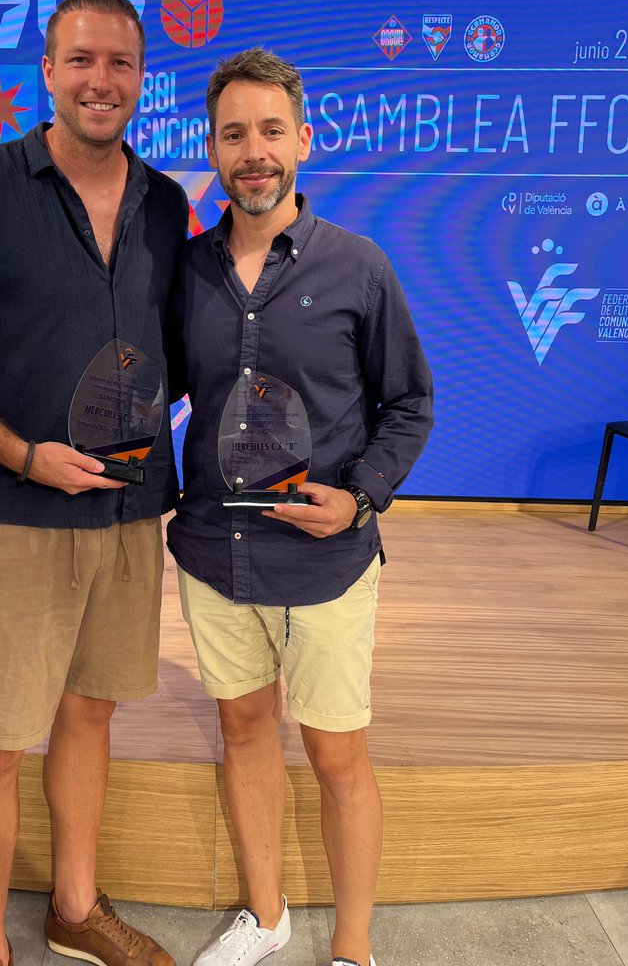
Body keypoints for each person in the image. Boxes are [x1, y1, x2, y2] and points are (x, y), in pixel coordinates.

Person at [0, 0, 189, 966]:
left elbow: (182, 343)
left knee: (91, 712)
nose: (102, 81)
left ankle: (75, 908)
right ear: (46, 74)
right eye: (82, 61)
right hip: (15, 510)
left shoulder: (168, 203)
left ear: (142, 79)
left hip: (133, 513)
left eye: (121, 64)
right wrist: (19, 453)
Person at [167, 49, 433, 966]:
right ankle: (267, 915)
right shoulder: (185, 272)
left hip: (324, 563)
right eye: (234, 133)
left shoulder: (358, 267)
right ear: (213, 146)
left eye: (270, 131)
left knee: (335, 758)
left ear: (304, 142)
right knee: (243, 731)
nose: (253, 151)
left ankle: (353, 946)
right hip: (213, 554)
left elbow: (409, 403)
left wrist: (361, 497)